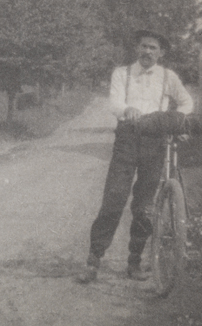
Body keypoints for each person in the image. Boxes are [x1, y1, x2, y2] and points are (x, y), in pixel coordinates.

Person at [76, 29, 194, 284]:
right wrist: (126, 109)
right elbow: (114, 103)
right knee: (113, 200)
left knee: (144, 206)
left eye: (153, 48)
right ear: (136, 49)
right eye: (143, 46)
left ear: (161, 53)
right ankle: (93, 262)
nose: (147, 52)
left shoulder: (168, 77)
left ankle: (134, 262)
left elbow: (187, 103)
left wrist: (173, 120)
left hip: (155, 142)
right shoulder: (122, 73)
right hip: (127, 140)